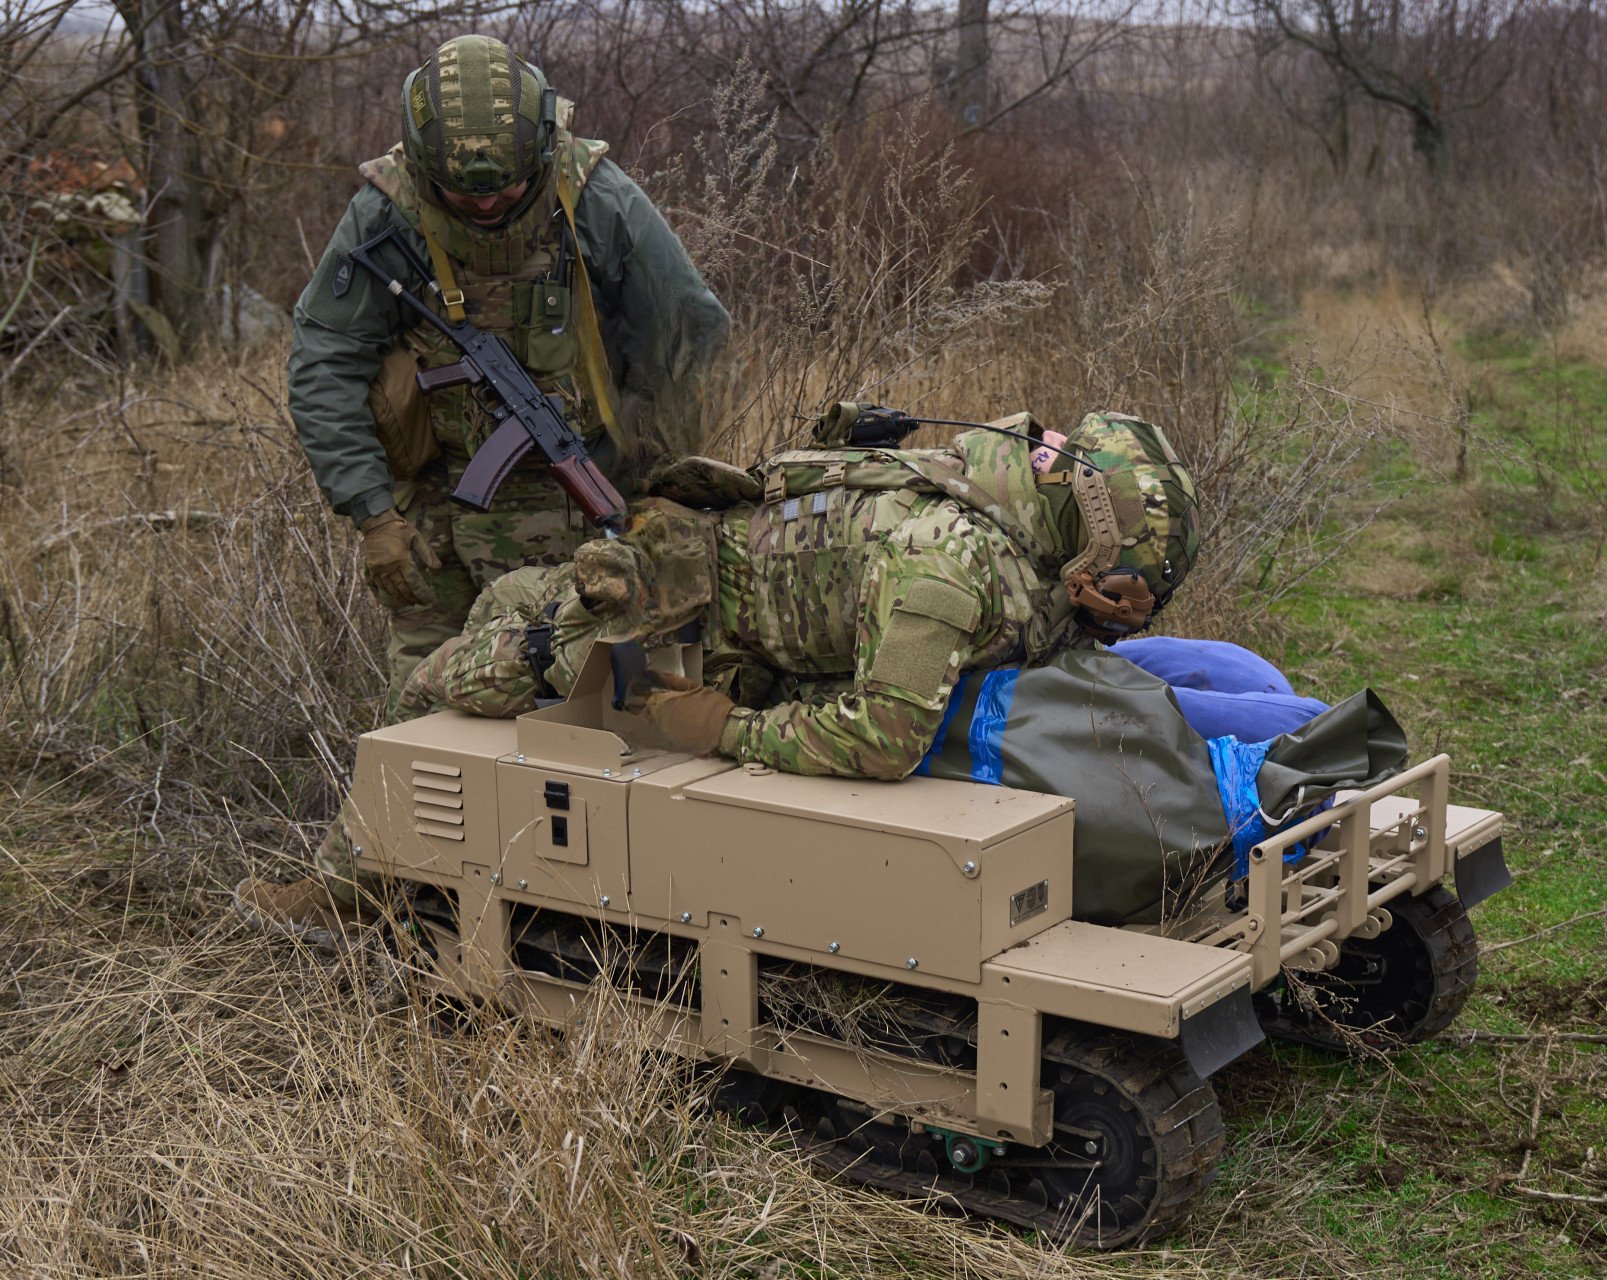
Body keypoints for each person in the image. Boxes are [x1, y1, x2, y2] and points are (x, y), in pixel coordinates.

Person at [238, 34, 729, 943]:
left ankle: (596, 907)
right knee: (416, 693)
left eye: (506, 186)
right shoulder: (386, 217)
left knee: (583, 700)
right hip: (435, 509)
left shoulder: (597, 201)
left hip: (581, 509)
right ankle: (373, 882)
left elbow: (693, 337)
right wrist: (371, 514)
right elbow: (324, 361)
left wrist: (666, 485)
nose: (491, 203)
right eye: (468, 194)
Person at [401, 410, 1201, 779]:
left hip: (768, 639)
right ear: (1086, 535)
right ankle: (351, 886)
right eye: (1121, 587)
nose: (1122, 613)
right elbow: (884, 739)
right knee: (473, 668)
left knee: (509, 591)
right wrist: (728, 730)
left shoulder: (1027, 525)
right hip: (687, 609)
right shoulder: (945, 565)